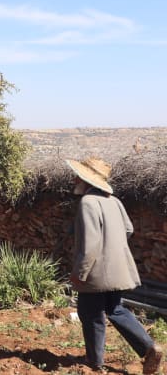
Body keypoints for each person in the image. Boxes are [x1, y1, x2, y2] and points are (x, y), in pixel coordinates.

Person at [66, 157, 162, 373]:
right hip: (116, 270)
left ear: (85, 179)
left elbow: (89, 246)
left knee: (90, 314)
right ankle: (148, 347)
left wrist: (79, 274)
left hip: (95, 272)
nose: (74, 179)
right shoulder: (114, 201)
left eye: (77, 176)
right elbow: (128, 229)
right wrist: (112, 248)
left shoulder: (87, 203)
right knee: (115, 309)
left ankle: (95, 362)